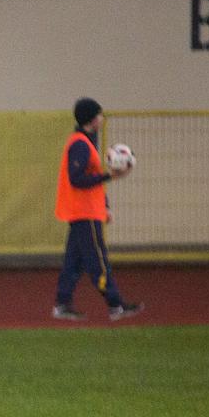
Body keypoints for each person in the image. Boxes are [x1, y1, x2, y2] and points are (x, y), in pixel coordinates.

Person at [53, 97, 142, 321]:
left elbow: (92, 181)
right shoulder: (81, 144)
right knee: (97, 261)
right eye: (99, 115)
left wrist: (105, 205)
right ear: (91, 118)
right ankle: (115, 305)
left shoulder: (86, 142)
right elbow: (78, 180)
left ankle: (62, 303)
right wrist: (109, 175)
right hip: (84, 213)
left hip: (86, 211)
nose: (102, 119)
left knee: (74, 261)